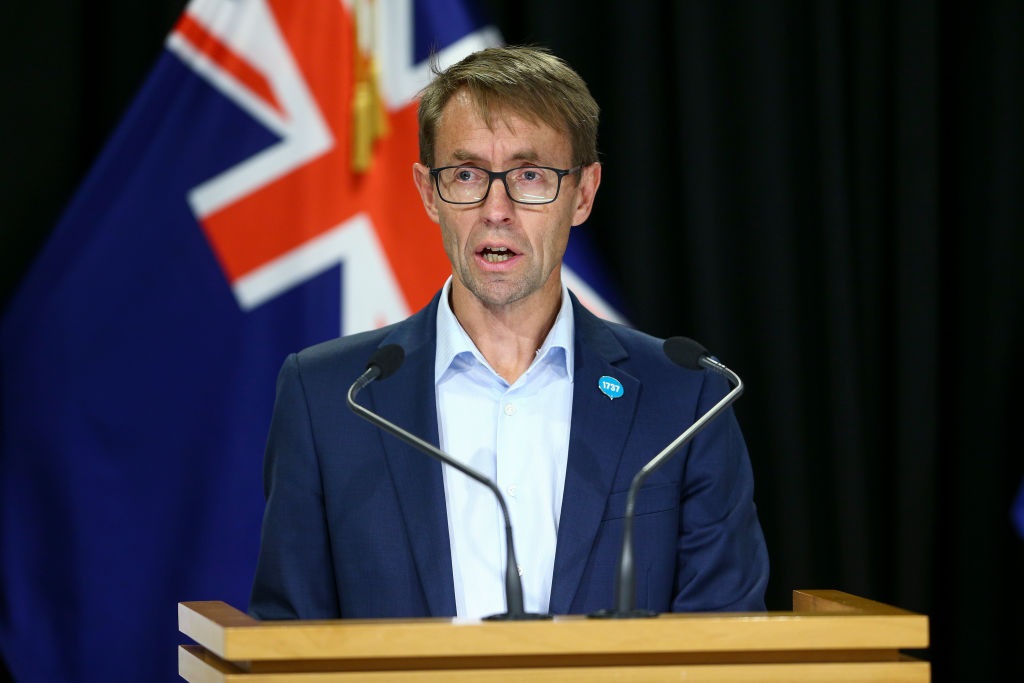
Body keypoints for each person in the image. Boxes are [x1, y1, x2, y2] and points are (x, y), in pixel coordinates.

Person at [249, 45, 768, 621]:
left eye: (529, 175)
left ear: (584, 193)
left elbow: (724, 633)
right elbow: (288, 641)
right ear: (428, 192)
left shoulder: (687, 401)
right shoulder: (330, 398)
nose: (496, 209)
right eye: (467, 174)